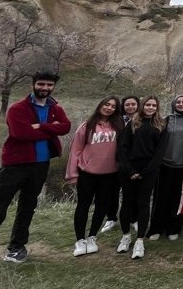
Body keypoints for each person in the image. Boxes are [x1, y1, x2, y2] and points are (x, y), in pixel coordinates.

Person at [0, 72, 72, 275]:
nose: (45, 87)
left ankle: (16, 248)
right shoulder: (18, 108)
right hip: (14, 166)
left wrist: (41, 126)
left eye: (49, 84)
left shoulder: (55, 108)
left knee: (27, 208)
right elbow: (21, 133)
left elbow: (66, 127)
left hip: (40, 165)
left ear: (53, 87)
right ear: (34, 84)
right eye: (41, 83)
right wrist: (50, 128)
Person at [67, 96, 123, 257]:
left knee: (101, 206)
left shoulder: (118, 126)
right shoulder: (87, 126)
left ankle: (92, 237)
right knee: (83, 206)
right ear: (100, 105)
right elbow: (76, 150)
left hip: (109, 174)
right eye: (107, 104)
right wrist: (72, 173)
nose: (109, 108)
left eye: (113, 106)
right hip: (88, 173)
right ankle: (80, 240)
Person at [117, 96, 168, 259]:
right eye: (148, 104)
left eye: (154, 105)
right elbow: (122, 148)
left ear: (157, 107)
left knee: (143, 203)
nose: (150, 107)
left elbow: (160, 152)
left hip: (149, 171)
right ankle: (125, 236)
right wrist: (130, 170)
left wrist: (145, 172)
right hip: (129, 170)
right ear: (142, 106)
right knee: (126, 203)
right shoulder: (132, 123)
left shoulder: (161, 125)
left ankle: (140, 240)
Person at [148, 94, 183, 241]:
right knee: (161, 198)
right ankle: (156, 228)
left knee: (178, 199)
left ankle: (173, 228)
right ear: (174, 104)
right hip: (166, 165)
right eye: (178, 102)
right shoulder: (166, 120)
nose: (181, 104)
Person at [101, 95, 139, 234]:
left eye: (133, 104)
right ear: (123, 106)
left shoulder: (141, 120)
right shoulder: (116, 120)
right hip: (114, 159)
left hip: (132, 161)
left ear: (137, 105)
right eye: (127, 104)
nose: (130, 107)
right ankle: (111, 217)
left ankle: (134, 218)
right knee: (111, 191)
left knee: (132, 192)